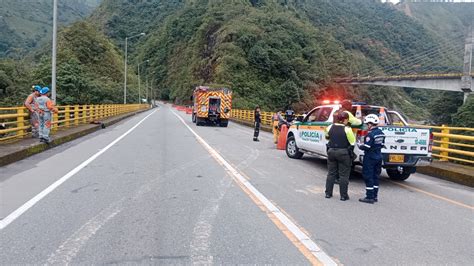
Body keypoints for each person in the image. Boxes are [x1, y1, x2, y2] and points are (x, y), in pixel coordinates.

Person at [324, 111, 356, 201]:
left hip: (331, 152)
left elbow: (327, 137)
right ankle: (343, 196)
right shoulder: (347, 129)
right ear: (345, 120)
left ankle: (328, 193)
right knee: (343, 175)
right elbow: (352, 142)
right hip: (343, 153)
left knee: (331, 173)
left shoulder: (330, 127)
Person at [358, 114, 385, 204]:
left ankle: (369, 197)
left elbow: (367, 146)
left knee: (368, 176)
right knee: (376, 177)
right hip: (378, 156)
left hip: (370, 157)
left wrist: (360, 146)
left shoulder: (370, 135)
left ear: (370, 124)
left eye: (367, 124)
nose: (367, 126)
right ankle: (374, 196)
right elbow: (381, 145)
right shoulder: (381, 133)